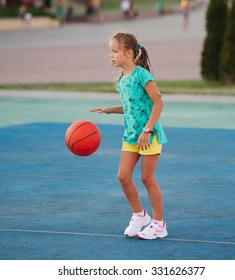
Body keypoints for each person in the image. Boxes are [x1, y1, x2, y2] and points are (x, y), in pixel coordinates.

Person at [89, 32, 168, 240]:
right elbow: (130, 107)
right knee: (123, 176)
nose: (111, 56)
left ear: (129, 52)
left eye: (115, 51)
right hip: (131, 136)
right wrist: (109, 109)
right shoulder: (121, 81)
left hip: (149, 135)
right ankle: (139, 215)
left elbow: (158, 103)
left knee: (146, 178)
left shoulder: (142, 75)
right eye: (110, 52)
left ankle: (159, 224)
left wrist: (147, 130)